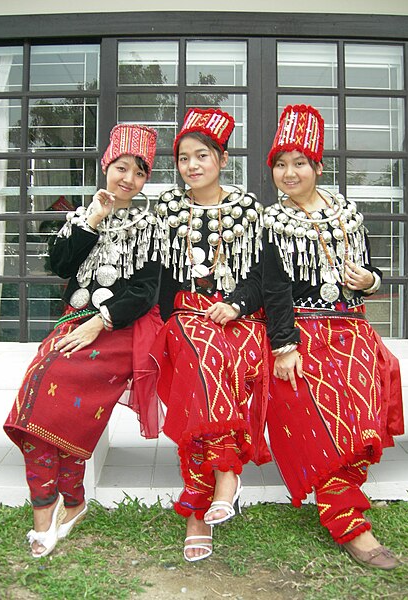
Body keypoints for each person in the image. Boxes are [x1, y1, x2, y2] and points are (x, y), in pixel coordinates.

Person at [4, 123, 164, 558]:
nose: (128, 179)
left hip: (118, 331)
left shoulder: (151, 225)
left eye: (139, 172)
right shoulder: (82, 215)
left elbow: (145, 291)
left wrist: (101, 322)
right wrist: (93, 218)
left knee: (52, 394)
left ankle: (56, 509)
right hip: (72, 325)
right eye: (121, 167)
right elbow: (58, 265)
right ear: (106, 166)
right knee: (39, 396)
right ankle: (65, 503)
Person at [260, 104, 404, 570]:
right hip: (302, 331)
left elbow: (372, 269)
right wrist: (284, 346)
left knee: (361, 415)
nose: (288, 172)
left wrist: (371, 280)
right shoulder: (270, 223)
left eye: (298, 162)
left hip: (354, 330)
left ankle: (345, 491)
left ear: (317, 167)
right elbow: (273, 290)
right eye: (280, 164)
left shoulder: (348, 213)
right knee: (319, 415)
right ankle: (350, 525)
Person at [150, 107, 271, 562]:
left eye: (202, 155)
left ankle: (200, 507)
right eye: (183, 158)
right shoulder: (165, 208)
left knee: (231, 358)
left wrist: (237, 303)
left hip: (238, 316)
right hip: (184, 317)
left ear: (221, 158)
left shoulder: (247, 209)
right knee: (202, 360)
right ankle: (223, 478)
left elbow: (263, 276)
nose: (192, 165)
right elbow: (157, 274)